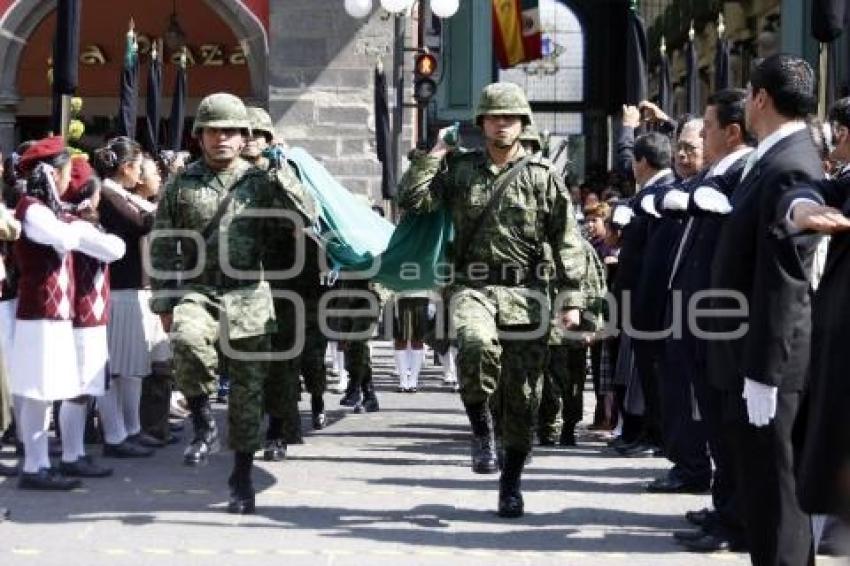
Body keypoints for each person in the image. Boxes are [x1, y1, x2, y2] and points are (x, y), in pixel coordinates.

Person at [398, 82, 587, 518]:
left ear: (523, 124)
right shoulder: (461, 171)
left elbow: (567, 239)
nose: (502, 125)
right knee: (476, 343)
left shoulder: (543, 177)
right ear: (481, 123)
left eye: (511, 118)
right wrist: (434, 154)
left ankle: (511, 482)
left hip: (527, 293)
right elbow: (412, 199)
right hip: (473, 286)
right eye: (494, 118)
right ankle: (480, 427)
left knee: (524, 398)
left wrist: (572, 297)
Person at [149, 92, 317, 513]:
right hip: (198, 288)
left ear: (245, 137)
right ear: (199, 136)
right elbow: (163, 243)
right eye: (213, 130)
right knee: (187, 342)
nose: (222, 138)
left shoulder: (262, 182)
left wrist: (280, 170)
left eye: (231, 131)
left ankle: (241, 476)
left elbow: (305, 217)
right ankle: (203, 420)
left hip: (248, 294)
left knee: (248, 393)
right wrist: (165, 301)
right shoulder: (181, 184)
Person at [707, 54, 822, 565]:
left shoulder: (789, 162)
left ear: (759, 99)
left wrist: (764, 371)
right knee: (762, 495)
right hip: (748, 352)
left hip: (766, 360)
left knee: (776, 499)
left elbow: (783, 278)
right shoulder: (776, 155)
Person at [10, 137, 122, 490]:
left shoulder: (45, 210)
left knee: (43, 391)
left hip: (51, 313)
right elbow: (63, 239)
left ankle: (39, 463)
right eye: (63, 172)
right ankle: (34, 465)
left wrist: (77, 226)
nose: (65, 180)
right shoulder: (32, 209)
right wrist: (79, 226)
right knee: (37, 392)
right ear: (49, 173)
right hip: (38, 312)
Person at [58, 157, 126, 479]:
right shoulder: (77, 225)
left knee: (92, 382)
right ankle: (72, 455)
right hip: (82, 316)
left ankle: (80, 451)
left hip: (89, 315)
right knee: (79, 389)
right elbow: (115, 249)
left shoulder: (74, 222)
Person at [95, 138, 161, 458]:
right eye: (137, 165)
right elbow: (141, 224)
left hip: (129, 286)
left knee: (131, 367)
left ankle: (131, 429)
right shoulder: (108, 194)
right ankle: (115, 433)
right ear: (125, 167)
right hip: (116, 288)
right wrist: (169, 203)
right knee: (112, 369)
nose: (141, 173)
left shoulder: (120, 193)